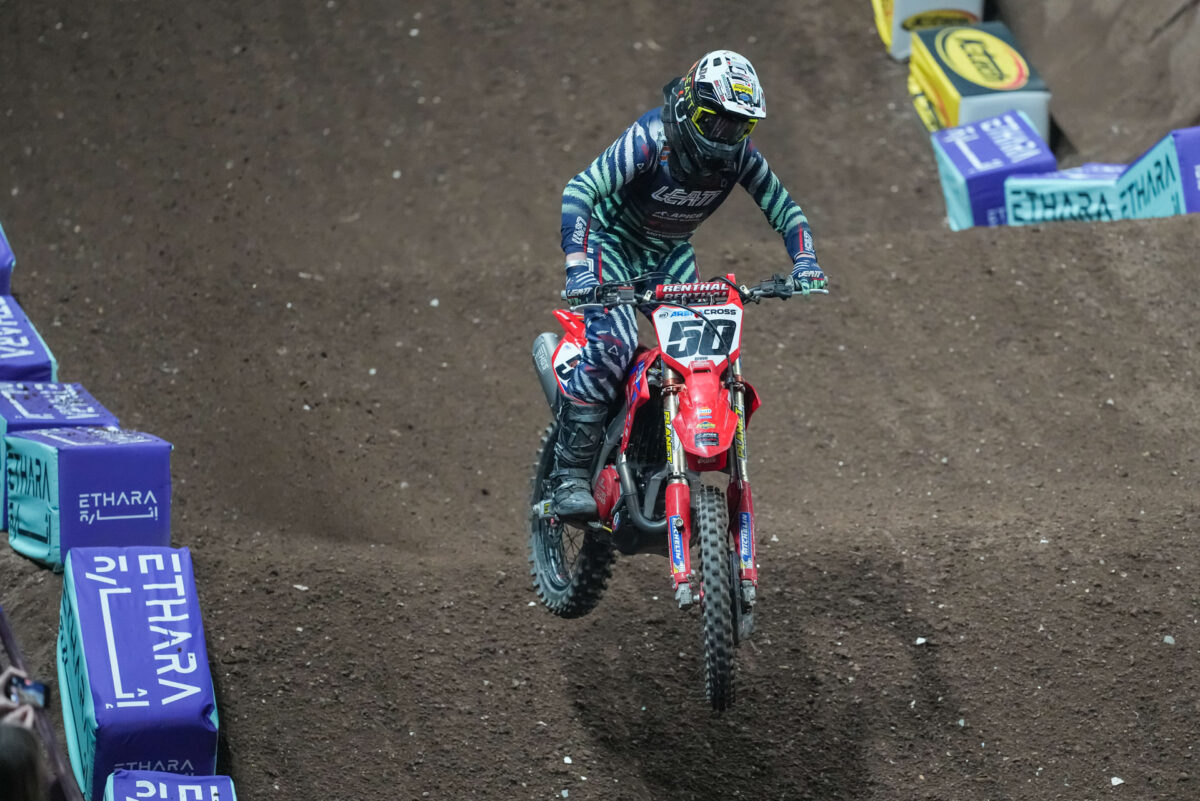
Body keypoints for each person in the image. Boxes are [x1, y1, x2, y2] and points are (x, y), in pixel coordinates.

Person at [552, 49, 827, 518]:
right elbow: (581, 190)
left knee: (702, 358)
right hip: (611, 244)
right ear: (689, 106)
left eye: (738, 127)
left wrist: (806, 262)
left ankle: (661, 463)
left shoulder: (741, 157)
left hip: (669, 253)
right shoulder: (650, 140)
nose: (725, 137)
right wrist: (577, 265)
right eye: (716, 122)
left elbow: (786, 210)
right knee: (614, 344)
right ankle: (570, 476)